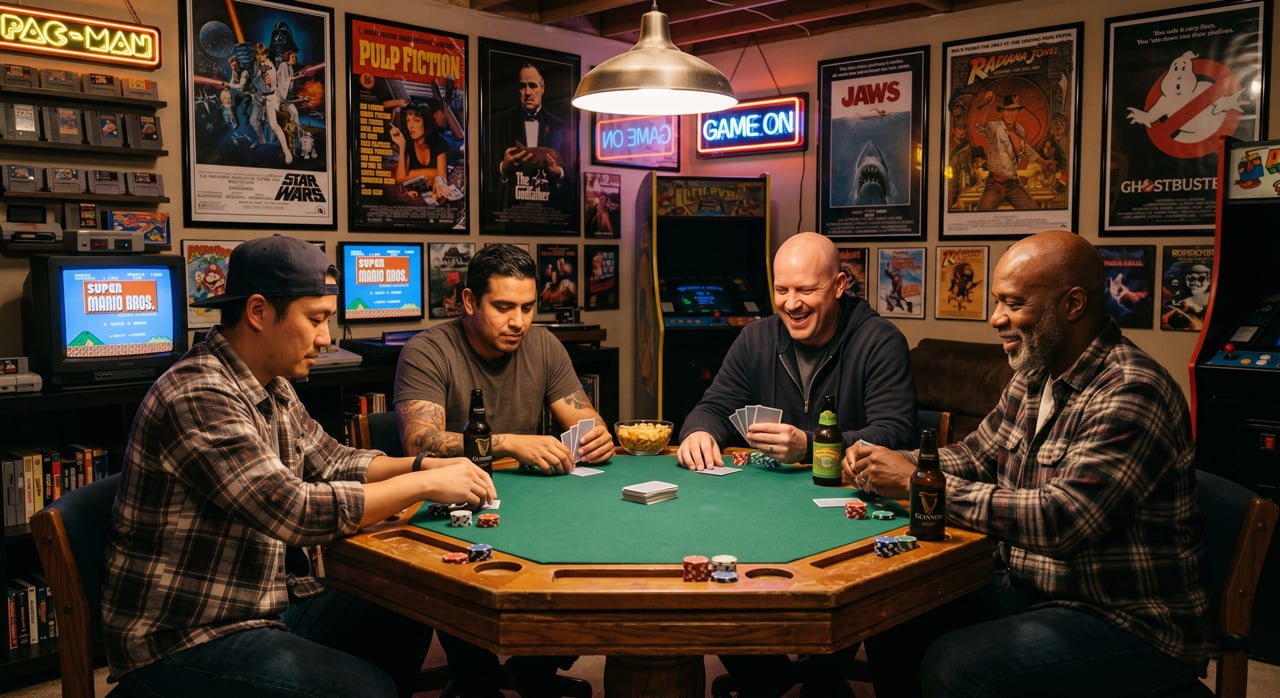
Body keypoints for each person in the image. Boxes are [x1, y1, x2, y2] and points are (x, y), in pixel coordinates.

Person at [102, 235, 497, 698]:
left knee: (408, 600)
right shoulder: (198, 394)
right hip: (185, 636)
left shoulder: (272, 384)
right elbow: (295, 511)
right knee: (368, 691)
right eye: (316, 320)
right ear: (258, 312)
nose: (327, 339)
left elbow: (334, 462)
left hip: (263, 605)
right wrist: (424, 484)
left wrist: (426, 463)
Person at [849, 230, 1214, 698]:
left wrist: (918, 484)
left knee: (954, 668)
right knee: (890, 611)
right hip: (1027, 591)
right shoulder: (1033, 375)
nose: (995, 318)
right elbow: (973, 456)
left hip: (1125, 621)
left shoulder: (1130, 390)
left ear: (1074, 304)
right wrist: (888, 461)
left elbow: (1061, 519)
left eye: (1013, 303)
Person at [676, 232, 916, 698]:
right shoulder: (756, 338)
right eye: (782, 290)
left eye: (806, 290)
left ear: (840, 284)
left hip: (849, 511)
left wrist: (811, 447)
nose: (792, 304)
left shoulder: (880, 341)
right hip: (764, 508)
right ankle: (761, 677)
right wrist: (700, 431)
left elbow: (895, 434)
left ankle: (822, 679)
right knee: (723, 572)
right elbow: (714, 406)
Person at [394, 243, 612, 697]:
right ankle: (479, 678)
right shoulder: (427, 350)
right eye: (504, 307)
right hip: (453, 509)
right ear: (470, 302)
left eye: (529, 307)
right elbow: (420, 442)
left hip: (538, 508)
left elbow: (586, 422)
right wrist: (509, 441)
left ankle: (529, 672)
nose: (519, 321)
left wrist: (596, 437)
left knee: (585, 558)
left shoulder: (544, 344)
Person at [490, 63, 570, 207]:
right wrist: (504, 167)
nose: (527, 92)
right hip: (512, 209)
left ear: (542, 88)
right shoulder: (500, 123)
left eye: (532, 86)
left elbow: (572, 169)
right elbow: (487, 170)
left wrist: (559, 173)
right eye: (522, 86)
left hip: (551, 211)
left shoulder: (560, 124)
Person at [973, 91, 1048, 210]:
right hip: (995, 185)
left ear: (1017, 112)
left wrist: (1045, 162)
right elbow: (981, 126)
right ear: (1002, 111)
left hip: (1014, 184)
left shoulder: (1020, 130)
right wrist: (988, 105)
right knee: (981, 215)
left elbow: (1026, 149)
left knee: (1032, 210)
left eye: (1014, 110)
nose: (1011, 114)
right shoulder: (994, 128)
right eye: (1008, 110)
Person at [388, 100, 454, 201]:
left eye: (416, 120)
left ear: (426, 122)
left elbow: (442, 178)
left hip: (454, 149)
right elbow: (400, 178)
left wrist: (412, 174)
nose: (410, 126)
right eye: (408, 120)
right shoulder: (408, 142)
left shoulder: (439, 142)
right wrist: (402, 146)